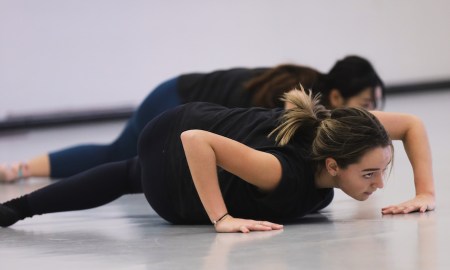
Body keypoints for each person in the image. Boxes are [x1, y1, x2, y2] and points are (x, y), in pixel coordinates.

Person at [0, 88, 435, 233]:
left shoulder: (340, 128)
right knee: (138, 174)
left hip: (181, 130)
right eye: (370, 173)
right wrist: (222, 217)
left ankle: (15, 208)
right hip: (175, 154)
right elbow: (195, 142)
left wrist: (425, 192)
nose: (379, 184)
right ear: (334, 165)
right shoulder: (283, 174)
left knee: (128, 173)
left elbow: (412, 122)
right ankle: (19, 207)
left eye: (383, 171)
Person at [0, 55, 385, 183]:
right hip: (174, 99)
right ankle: (17, 170)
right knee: (119, 157)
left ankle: (17, 170)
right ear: (336, 96)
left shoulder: (313, 93)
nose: (371, 112)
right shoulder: (299, 102)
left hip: (182, 94)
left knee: (114, 154)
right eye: (366, 102)